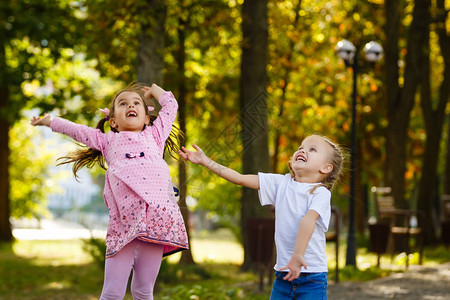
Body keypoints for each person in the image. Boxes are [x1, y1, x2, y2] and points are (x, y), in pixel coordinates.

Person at [31, 83, 188, 300]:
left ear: (146, 118)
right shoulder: (108, 141)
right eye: (123, 104)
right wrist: (51, 122)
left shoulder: (155, 135)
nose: (130, 106)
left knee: (143, 290)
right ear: (113, 121)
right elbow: (79, 131)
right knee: (112, 292)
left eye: (136, 103)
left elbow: (171, 105)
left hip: (156, 223)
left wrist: (155, 91)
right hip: (123, 227)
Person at [179, 134, 344, 300]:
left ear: (326, 168)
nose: (302, 150)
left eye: (312, 149)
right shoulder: (280, 184)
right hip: (283, 276)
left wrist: (298, 255)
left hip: (312, 277)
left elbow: (308, 220)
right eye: (301, 147)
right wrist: (205, 161)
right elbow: (240, 179)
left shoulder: (320, 193)